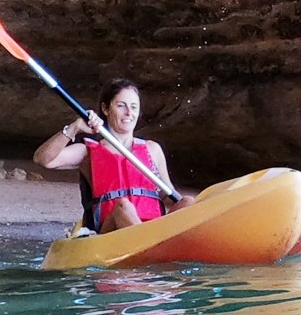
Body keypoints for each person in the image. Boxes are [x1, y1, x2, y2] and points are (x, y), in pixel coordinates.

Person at [33, 79, 194, 232]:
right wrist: (74, 128)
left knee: (188, 202)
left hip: (154, 228)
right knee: (124, 206)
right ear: (106, 109)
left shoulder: (152, 149)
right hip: (111, 230)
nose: (129, 112)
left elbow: (168, 195)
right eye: (121, 105)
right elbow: (43, 159)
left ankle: (160, 245)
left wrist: (196, 209)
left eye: (134, 107)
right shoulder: (87, 151)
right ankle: (150, 247)